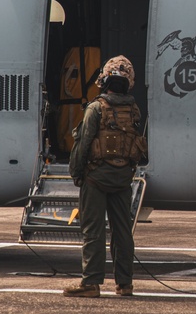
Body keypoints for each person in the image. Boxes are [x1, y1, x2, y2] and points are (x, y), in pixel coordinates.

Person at [63, 55, 147, 298]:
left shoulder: (96, 108)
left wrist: (76, 173)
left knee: (93, 232)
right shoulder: (133, 110)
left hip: (96, 178)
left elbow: (82, 144)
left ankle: (91, 282)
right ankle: (125, 283)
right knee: (122, 232)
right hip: (122, 179)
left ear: (105, 80)